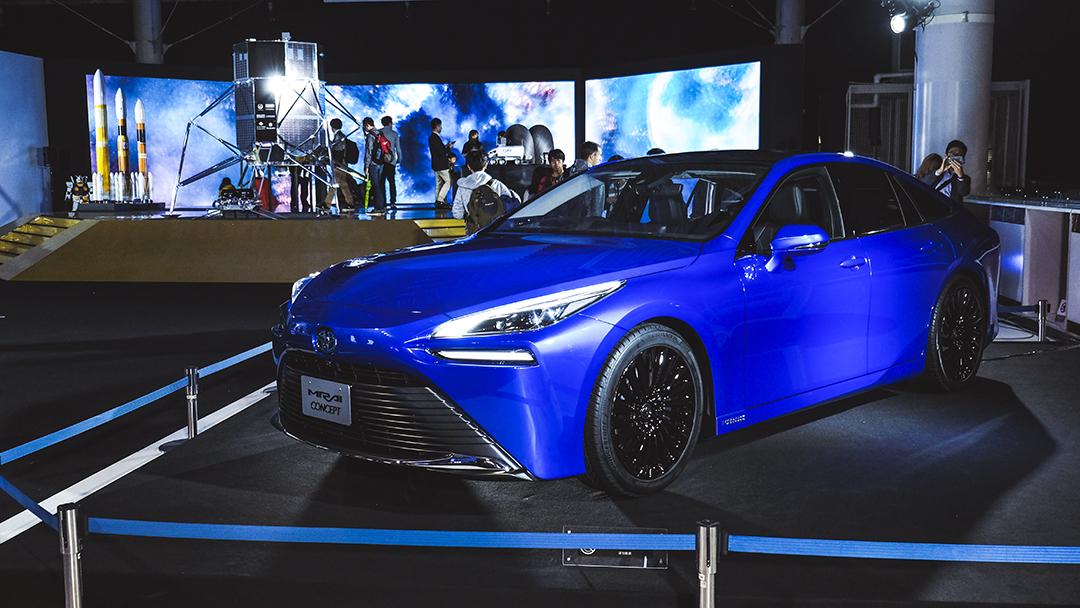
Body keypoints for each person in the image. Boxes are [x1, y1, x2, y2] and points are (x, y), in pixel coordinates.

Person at [452, 149, 521, 220]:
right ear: (486, 165)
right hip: (495, 224)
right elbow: (512, 203)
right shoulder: (496, 184)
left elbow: (457, 214)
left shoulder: (462, 187)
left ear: (468, 167)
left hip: (475, 225)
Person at [324, 118, 355, 211]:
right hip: (343, 163)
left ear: (332, 127)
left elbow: (338, 149)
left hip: (340, 164)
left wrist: (330, 147)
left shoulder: (339, 136)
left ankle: (326, 204)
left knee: (333, 183)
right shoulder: (341, 135)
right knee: (343, 184)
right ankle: (350, 203)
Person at [429, 118, 455, 209]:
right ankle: (439, 200)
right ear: (437, 126)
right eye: (440, 126)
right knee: (449, 181)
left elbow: (438, 149)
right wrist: (449, 148)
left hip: (435, 164)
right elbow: (441, 152)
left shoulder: (432, 137)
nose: (441, 128)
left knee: (439, 183)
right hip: (441, 164)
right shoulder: (435, 137)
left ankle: (438, 200)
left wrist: (446, 146)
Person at [362, 116, 385, 214]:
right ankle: (382, 206)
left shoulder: (371, 136)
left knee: (376, 186)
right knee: (379, 185)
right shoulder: (380, 133)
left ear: (367, 125)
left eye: (364, 126)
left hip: (373, 164)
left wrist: (366, 166)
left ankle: (378, 208)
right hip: (381, 163)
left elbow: (369, 152)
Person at [379, 116, 401, 210]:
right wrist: (399, 159)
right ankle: (392, 202)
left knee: (381, 182)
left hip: (381, 161)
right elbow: (398, 149)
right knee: (392, 182)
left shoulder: (379, 133)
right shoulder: (394, 134)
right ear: (390, 123)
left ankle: (383, 203)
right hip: (391, 161)